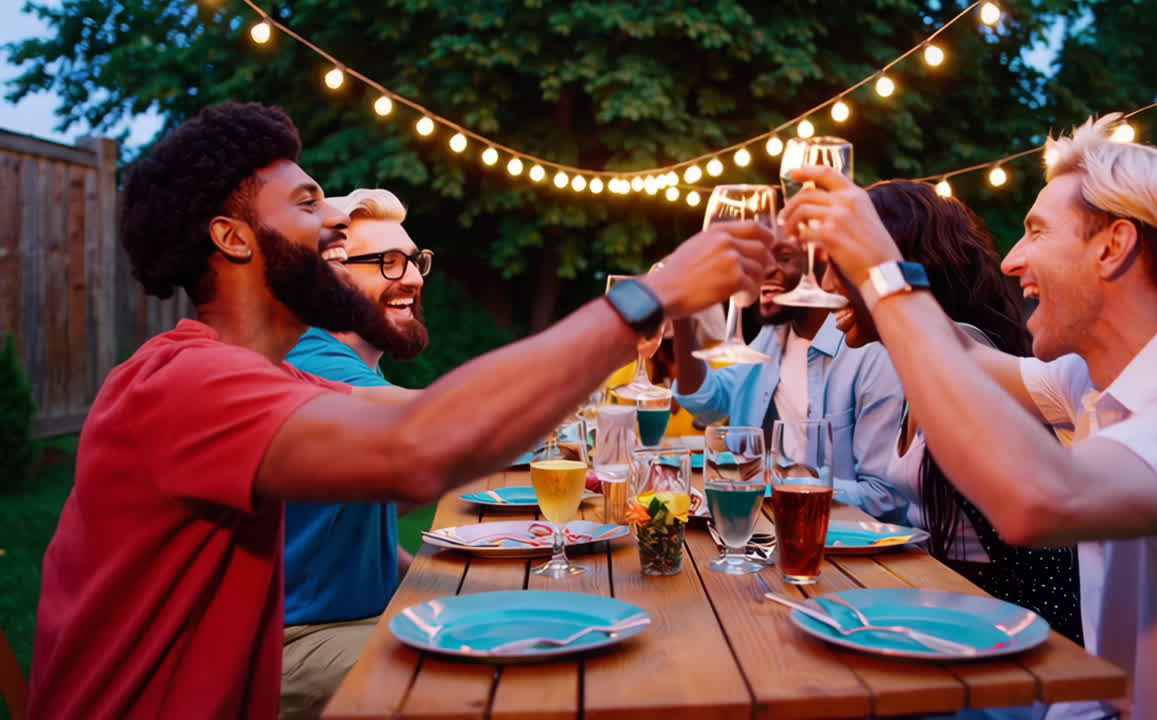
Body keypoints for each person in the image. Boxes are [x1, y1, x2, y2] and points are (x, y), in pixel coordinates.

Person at [28, 101, 773, 720]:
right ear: (231, 237)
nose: (333, 225)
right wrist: (649, 296)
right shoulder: (185, 382)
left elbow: (443, 429)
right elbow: (422, 447)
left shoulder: (269, 381)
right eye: (310, 203)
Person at [783, 113, 1157, 719]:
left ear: (1113, 246)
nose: (1013, 260)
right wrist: (864, 285)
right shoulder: (1087, 381)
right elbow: (960, 353)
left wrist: (886, 275)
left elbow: (1038, 502)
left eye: (1037, 232)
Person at [822, 179, 1081, 643]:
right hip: (932, 600)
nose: (825, 287)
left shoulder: (963, 355)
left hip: (1001, 629)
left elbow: (1032, 543)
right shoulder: (916, 363)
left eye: (841, 267)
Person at [278, 188, 429, 719]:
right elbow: (438, 428)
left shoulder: (360, 371)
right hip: (284, 642)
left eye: (414, 260)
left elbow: (352, 524)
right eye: (387, 263)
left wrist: (432, 576)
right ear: (332, 277)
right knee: (471, 672)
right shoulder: (312, 361)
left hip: (340, 624)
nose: (411, 277)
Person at [672, 229, 903, 511]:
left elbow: (884, 496)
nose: (765, 269)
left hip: (841, 538)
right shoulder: (771, 338)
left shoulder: (871, 353)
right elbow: (706, 403)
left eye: (783, 257)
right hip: (764, 518)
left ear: (821, 267)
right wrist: (681, 316)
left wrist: (781, 483)